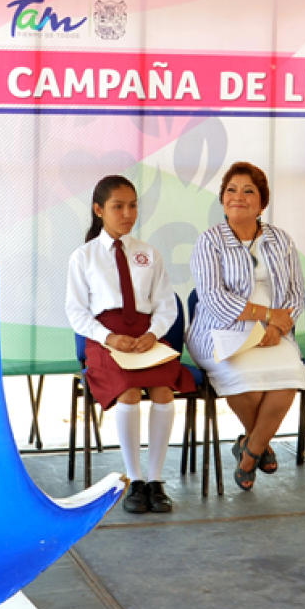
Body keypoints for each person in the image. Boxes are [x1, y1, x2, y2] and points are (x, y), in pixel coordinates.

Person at [65, 176, 195, 512]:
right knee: (130, 392)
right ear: (98, 210)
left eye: (133, 205)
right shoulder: (84, 257)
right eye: (118, 206)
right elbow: (77, 313)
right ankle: (134, 479)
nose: (127, 213)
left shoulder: (148, 254)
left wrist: (153, 334)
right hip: (105, 340)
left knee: (164, 391)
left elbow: (167, 304)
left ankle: (155, 480)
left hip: (145, 336)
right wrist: (108, 338)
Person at [186, 162, 305, 491]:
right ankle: (262, 443)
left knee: (289, 376)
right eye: (231, 190)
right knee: (246, 384)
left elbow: (296, 294)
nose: (238, 197)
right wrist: (267, 315)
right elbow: (213, 299)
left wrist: (278, 327)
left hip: (273, 334)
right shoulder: (209, 242)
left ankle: (250, 449)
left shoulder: (281, 240)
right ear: (222, 198)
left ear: (262, 202)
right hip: (219, 332)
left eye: (248, 191)